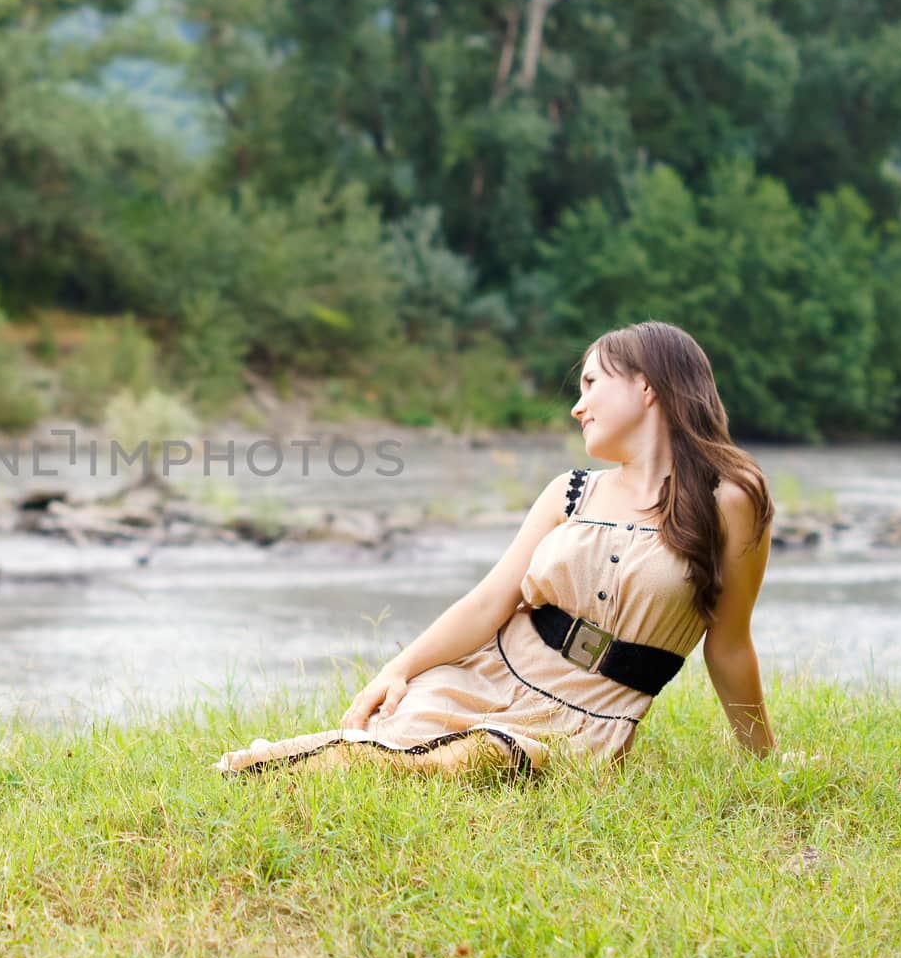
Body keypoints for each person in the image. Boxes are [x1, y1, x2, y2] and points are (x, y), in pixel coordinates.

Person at [214, 320, 777, 779]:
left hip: (592, 716)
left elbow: (727, 646)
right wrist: (399, 669)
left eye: (590, 385)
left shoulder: (729, 499)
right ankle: (275, 770)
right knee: (399, 739)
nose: (577, 407)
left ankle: (276, 768)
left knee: (479, 758)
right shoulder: (570, 493)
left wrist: (764, 760)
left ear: (646, 386)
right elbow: (489, 603)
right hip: (489, 670)